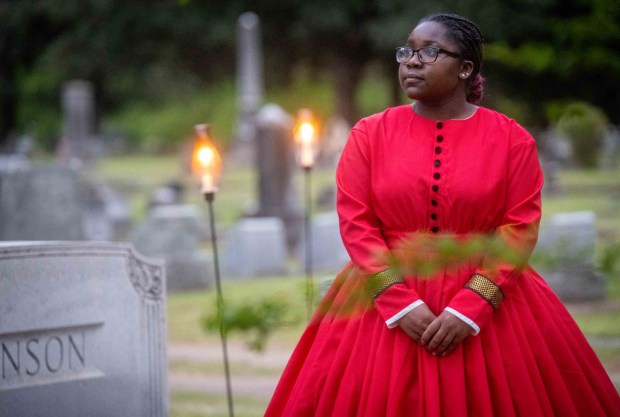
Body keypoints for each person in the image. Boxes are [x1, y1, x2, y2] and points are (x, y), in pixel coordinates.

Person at [265, 13, 620, 417]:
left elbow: (518, 230)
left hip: (492, 305)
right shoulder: (369, 134)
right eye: (407, 52)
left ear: (466, 68)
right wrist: (398, 303)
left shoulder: (511, 140)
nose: (411, 62)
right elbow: (356, 223)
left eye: (429, 52)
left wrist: (471, 308)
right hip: (381, 305)